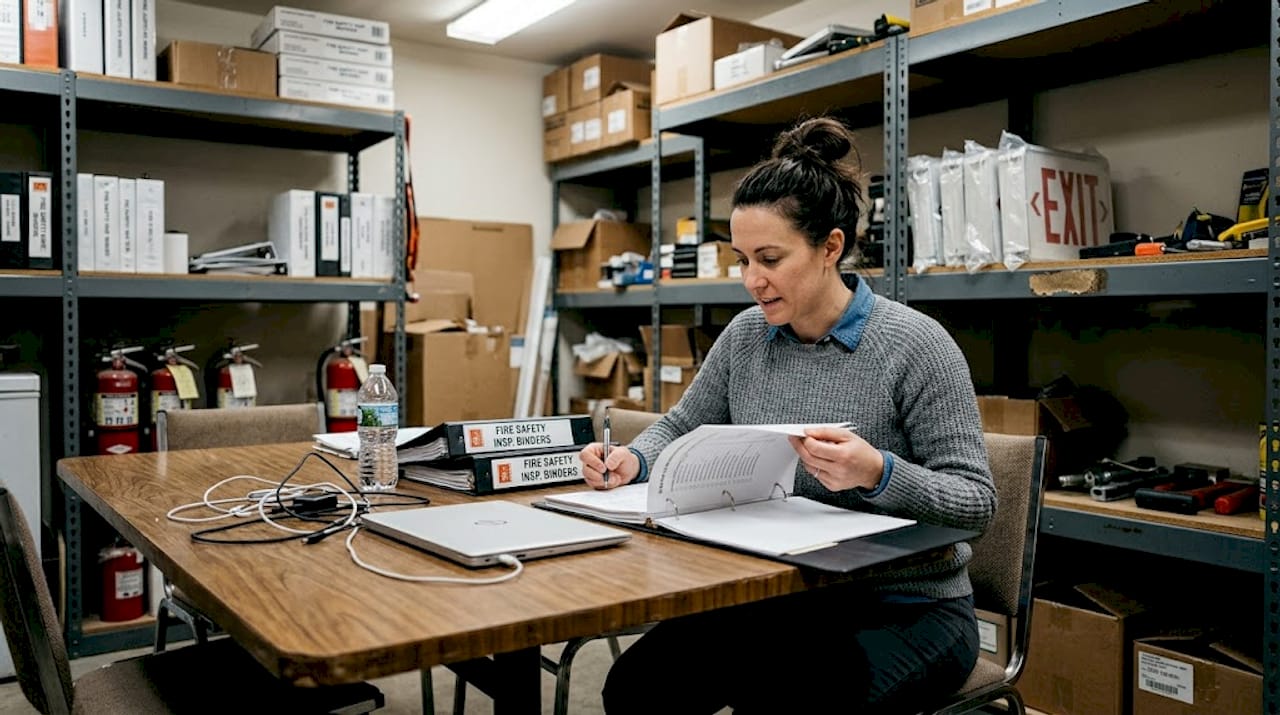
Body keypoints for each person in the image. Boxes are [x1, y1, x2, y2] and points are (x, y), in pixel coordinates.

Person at [577, 116, 996, 714]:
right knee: (638, 688)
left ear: (831, 246)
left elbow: (976, 502)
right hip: (785, 594)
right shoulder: (747, 336)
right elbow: (681, 423)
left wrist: (878, 472)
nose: (752, 280)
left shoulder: (915, 345)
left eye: (770, 258)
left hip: (909, 608)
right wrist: (633, 457)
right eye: (743, 259)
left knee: (788, 701)